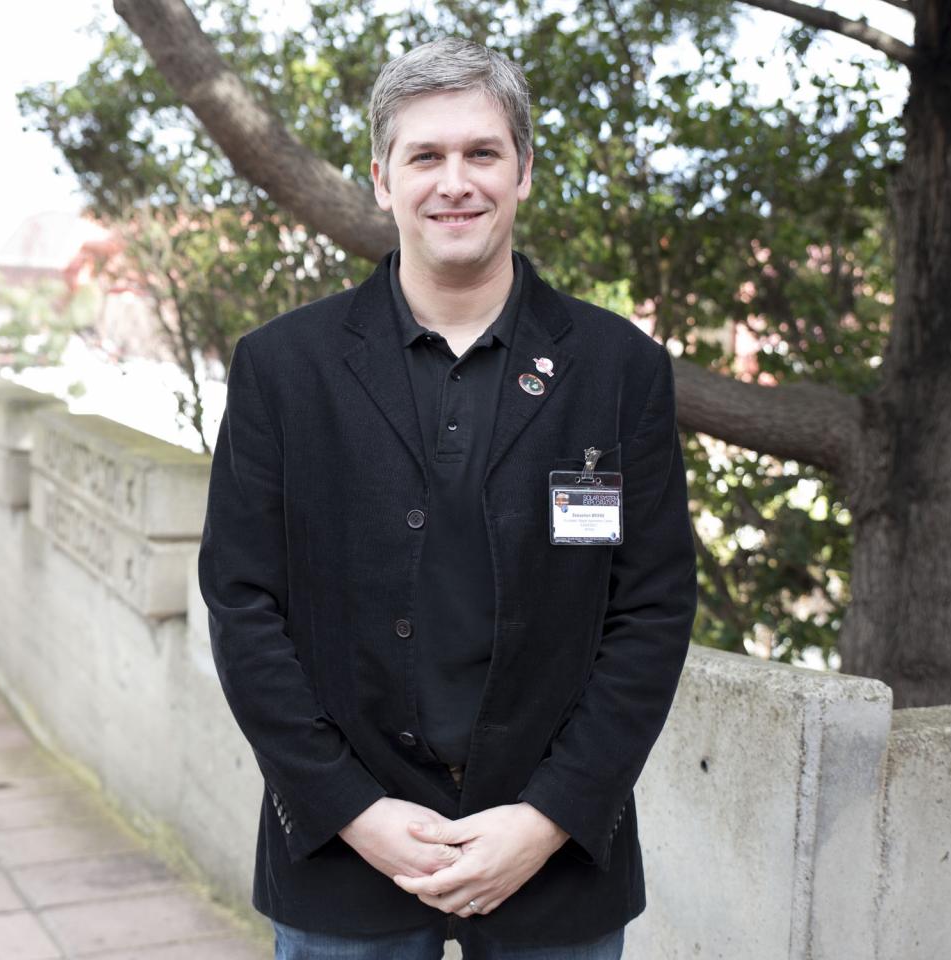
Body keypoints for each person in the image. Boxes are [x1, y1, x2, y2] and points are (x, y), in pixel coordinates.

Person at [198, 36, 698, 960]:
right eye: (425, 156)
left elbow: (654, 611)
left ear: (524, 172)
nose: (454, 182)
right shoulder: (282, 368)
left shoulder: (618, 369)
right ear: (383, 179)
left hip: (555, 858)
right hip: (343, 852)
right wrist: (352, 810)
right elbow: (242, 604)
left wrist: (547, 817)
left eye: (482, 153)